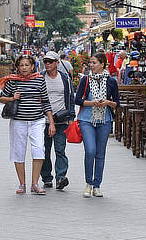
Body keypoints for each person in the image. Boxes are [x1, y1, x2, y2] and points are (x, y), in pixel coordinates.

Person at [0, 55, 55, 195]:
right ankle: (22, 183)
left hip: (37, 120)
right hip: (18, 121)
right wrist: (12, 98)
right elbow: (1, 98)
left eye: (27, 65)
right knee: (18, 151)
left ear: (32, 66)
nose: (24, 68)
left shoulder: (39, 80)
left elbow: (46, 101)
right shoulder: (12, 81)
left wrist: (51, 123)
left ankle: (35, 184)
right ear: (17, 67)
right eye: (21, 65)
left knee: (39, 151)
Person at [75, 53, 120, 198]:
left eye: (94, 63)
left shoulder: (111, 81)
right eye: (90, 63)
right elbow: (77, 100)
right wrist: (92, 103)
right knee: (90, 150)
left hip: (105, 120)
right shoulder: (85, 80)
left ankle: (97, 185)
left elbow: (117, 103)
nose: (91, 65)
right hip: (86, 119)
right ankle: (88, 183)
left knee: (100, 154)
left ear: (102, 64)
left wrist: (107, 102)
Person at [40, 51, 75, 190]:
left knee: (60, 150)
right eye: (45, 61)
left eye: (50, 61)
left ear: (57, 63)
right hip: (43, 121)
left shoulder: (65, 78)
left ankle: (61, 177)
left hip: (61, 120)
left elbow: (71, 97)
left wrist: (71, 117)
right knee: (44, 151)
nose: (47, 64)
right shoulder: (41, 77)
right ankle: (47, 178)